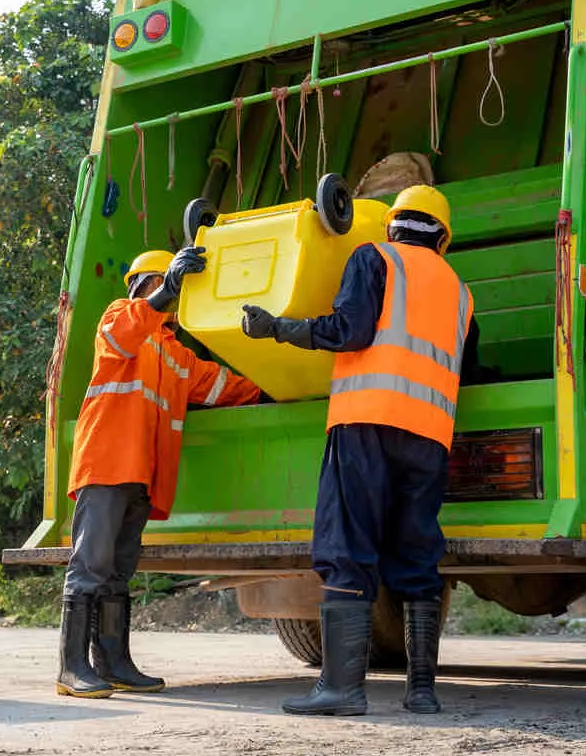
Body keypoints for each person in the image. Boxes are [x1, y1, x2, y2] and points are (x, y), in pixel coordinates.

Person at [241, 185, 480, 716]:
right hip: (429, 437)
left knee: (347, 546)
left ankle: (343, 689)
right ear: (443, 238)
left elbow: (349, 331)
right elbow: (470, 367)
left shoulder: (375, 258)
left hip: (366, 423)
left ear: (392, 224)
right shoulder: (461, 293)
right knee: (417, 554)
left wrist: (278, 327)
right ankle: (421, 692)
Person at [59, 245, 263, 699]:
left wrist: (273, 385)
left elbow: (221, 386)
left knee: (117, 570)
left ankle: (113, 662)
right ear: (146, 284)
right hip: (108, 463)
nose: (170, 294)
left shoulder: (176, 355)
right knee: (90, 565)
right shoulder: (120, 317)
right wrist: (165, 290)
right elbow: (122, 334)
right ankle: (71, 668)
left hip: (140, 474)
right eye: (165, 284)